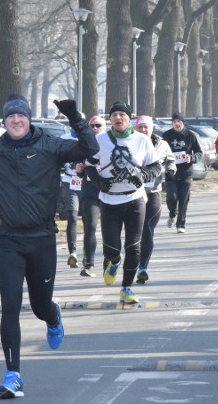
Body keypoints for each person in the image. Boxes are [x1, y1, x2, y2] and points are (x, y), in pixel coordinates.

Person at [0, 95, 98, 400]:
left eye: (20, 116)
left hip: (43, 239)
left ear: (29, 119)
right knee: (10, 307)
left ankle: (53, 316)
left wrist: (74, 115)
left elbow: (90, 148)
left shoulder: (49, 145)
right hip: (9, 239)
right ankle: (13, 375)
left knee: (39, 306)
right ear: (4, 121)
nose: (16, 121)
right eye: (10, 117)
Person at [89, 102, 161, 305]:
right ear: (109, 119)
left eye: (122, 115)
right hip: (109, 201)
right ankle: (114, 262)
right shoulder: (100, 140)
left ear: (130, 119)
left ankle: (126, 288)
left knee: (133, 246)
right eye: (114, 115)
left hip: (135, 200)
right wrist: (99, 181)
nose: (118, 118)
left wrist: (145, 175)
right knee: (112, 247)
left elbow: (156, 166)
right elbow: (87, 165)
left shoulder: (141, 140)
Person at [134, 116, 176, 284]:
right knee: (133, 234)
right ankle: (123, 261)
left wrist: (171, 170)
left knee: (147, 231)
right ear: (136, 128)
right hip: (133, 194)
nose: (144, 130)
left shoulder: (162, 144)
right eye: (141, 127)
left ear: (152, 129)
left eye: (146, 127)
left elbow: (171, 159)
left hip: (153, 193)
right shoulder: (130, 142)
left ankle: (142, 267)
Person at [161, 112, 203, 233]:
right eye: (174, 122)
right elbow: (161, 151)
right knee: (171, 198)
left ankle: (181, 224)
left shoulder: (190, 135)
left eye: (178, 122)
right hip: (171, 173)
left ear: (183, 123)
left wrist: (192, 157)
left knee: (184, 200)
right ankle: (172, 214)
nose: (176, 124)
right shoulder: (167, 135)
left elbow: (199, 153)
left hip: (186, 173)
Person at [78, 115, 106, 277]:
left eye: (98, 125)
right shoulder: (85, 147)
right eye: (92, 126)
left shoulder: (110, 144)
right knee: (91, 227)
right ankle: (89, 264)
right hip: (90, 193)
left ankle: (111, 258)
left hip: (109, 192)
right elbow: (79, 168)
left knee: (109, 230)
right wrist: (79, 170)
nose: (95, 129)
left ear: (104, 127)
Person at [60, 126, 84, 269]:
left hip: (86, 182)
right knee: (73, 216)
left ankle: (88, 254)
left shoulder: (89, 138)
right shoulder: (64, 139)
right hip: (69, 182)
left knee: (88, 219)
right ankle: (73, 252)